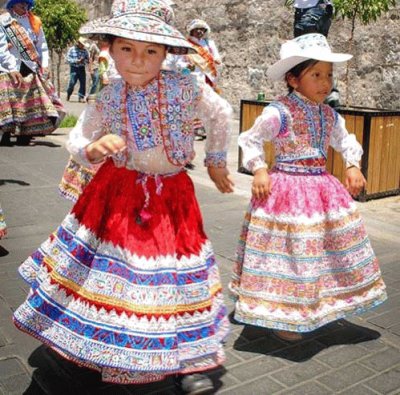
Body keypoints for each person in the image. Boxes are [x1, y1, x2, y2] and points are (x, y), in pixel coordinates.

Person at [13, 1, 234, 394]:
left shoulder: (185, 86)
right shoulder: (108, 96)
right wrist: (93, 149)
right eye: (127, 48)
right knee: (119, 276)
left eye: (151, 50)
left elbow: (220, 113)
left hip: (171, 197)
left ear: (166, 53)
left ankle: (184, 356)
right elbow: (79, 136)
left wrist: (216, 160)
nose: (138, 60)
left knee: (173, 278)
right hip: (116, 195)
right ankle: (114, 346)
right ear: (110, 49)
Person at [229, 33, 387, 342]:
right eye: (316, 74)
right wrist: (259, 168)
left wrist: (352, 165)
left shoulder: (328, 114)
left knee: (321, 251)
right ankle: (285, 314)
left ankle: (318, 303)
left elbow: (345, 140)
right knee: (291, 253)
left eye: (328, 75)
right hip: (286, 192)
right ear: (293, 78)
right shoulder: (279, 112)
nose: (325, 82)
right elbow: (250, 138)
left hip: (321, 190)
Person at [0, 0, 64, 146]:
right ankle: (6, 133)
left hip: (29, 66)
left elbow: (42, 45)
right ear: (12, 5)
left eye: (26, 4)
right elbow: (1, 47)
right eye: (21, 4)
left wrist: (45, 64)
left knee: (30, 102)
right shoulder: (4, 21)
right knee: (11, 100)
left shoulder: (34, 22)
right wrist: (11, 68)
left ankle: (26, 133)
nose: (24, 7)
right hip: (9, 67)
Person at [183, 19, 223, 141]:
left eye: (203, 29)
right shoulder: (186, 44)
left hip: (208, 77)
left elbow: (216, 57)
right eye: (197, 29)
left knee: (208, 103)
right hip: (194, 77)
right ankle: (195, 129)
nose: (200, 32)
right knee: (195, 103)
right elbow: (182, 61)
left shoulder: (209, 43)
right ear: (192, 30)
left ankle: (206, 127)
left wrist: (217, 61)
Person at [66, 37, 89, 102]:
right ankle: (69, 93)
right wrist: (76, 61)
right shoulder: (72, 49)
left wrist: (83, 61)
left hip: (82, 68)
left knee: (83, 83)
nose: (83, 46)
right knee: (72, 82)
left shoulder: (85, 51)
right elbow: (67, 59)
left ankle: (81, 97)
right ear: (78, 43)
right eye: (82, 44)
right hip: (74, 68)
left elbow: (87, 60)